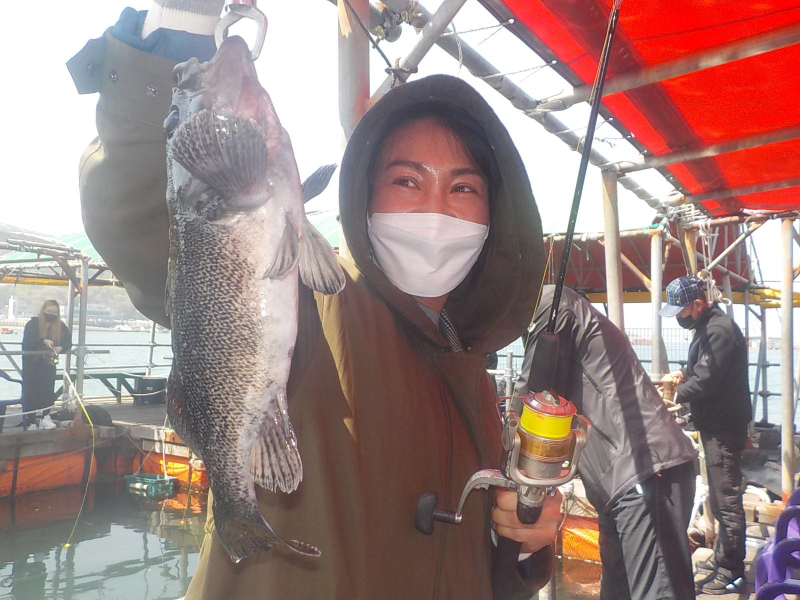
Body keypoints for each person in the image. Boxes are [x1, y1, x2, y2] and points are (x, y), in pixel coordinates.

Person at [68, 3, 561, 597]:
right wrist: (182, 22)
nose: (435, 209)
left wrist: (525, 544)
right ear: (364, 196)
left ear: (493, 215)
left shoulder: (475, 369)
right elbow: (151, 216)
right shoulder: (314, 303)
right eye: (406, 180)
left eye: (462, 187)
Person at [515, 285, 698, 600]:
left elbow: (532, 395)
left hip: (644, 469)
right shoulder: (572, 318)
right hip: (616, 485)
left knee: (657, 593)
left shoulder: (554, 304)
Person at [660, 273, 751, 595]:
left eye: (681, 311)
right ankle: (722, 558)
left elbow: (707, 380)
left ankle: (731, 571)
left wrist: (675, 392)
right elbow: (704, 370)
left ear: (697, 305)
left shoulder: (718, 330)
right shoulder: (707, 328)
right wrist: (684, 375)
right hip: (715, 425)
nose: (680, 318)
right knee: (719, 498)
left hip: (723, 429)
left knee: (726, 501)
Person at [21, 300, 72, 430]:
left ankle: (46, 417)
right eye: (49, 311)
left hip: (48, 364)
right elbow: (28, 341)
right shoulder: (32, 324)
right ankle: (30, 420)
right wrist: (43, 341)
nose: (52, 314)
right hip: (32, 365)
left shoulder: (60, 326)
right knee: (30, 392)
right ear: (43, 310)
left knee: (48, 391)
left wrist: (61, 347)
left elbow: (68, 342)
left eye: (54, 312)